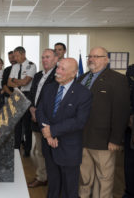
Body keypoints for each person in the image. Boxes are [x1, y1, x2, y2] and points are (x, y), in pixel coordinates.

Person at [78, 47, 130, 198]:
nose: (91, 59)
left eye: (96, 56)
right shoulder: (82, 78)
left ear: (106, 60)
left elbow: (121, 111)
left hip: (104, 140)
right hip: (82, 137)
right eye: (90, 56)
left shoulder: (117, 79)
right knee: (84, 177)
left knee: (104, 179)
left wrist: (115, 139)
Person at [36, 58, 92, 198]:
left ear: (74, 74)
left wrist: (53, 131)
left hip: (69, 148)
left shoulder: (84, 93)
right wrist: (48, 134)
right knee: (53, 187)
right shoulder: (49, 88)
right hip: (49, 145)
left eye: (62, 69)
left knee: (69, 189)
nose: (57, 72)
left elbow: (79, 121)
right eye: (58, 67)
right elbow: (40, 110)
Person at [27, 49, 58, 188]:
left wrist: (38, 112)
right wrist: (32, 109)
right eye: (43, 57)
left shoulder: (59, 75)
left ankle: (54, 180)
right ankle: (42, 177)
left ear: (56, 59)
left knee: (51, 153)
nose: (44, 60)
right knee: (39, 150)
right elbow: (32, 93)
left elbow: (55, 101)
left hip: (50, 122)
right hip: (35, 119)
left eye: (48, 57)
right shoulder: (39, 75)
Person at [7, 46, 36, 157]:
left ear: (23, 54)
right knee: (16, 124)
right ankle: (16, 148)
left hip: (27, 95)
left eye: (17, 56)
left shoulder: (31, 65)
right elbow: (9, 83)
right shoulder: (14, 67)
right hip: (16, 95)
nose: (15, 58)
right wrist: (18, 82)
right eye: (14, 56)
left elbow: (26, 82)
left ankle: (27, 149)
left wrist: (15, 80)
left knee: (27, 124)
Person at [123, 64, 134, 198]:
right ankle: (130, 192)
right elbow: (127, 95)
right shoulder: (131, 70)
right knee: (130, 163)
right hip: (131, 126)